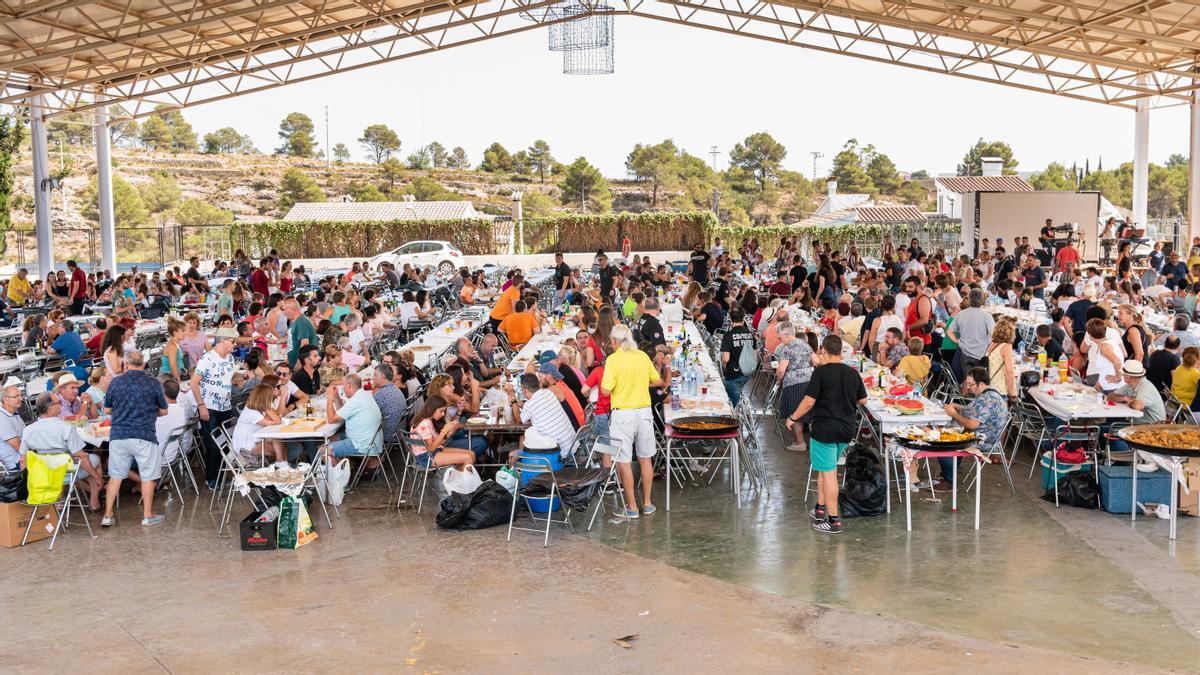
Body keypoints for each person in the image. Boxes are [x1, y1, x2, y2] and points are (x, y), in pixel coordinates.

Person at [785, 335, 866, 535]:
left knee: (829, 473)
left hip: (824, 429)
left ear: (823, 350)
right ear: (841, 351)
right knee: (824, 468)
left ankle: (833, 520)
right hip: (846, 430)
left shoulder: (820, 373)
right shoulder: (852, 373)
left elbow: (808, 402)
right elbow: (863, 400)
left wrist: (793, 418)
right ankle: (820, 509)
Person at [600, 324, 664, 520]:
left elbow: (605, 391)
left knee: (624, 461)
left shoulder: (613, 360)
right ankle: (647, 503)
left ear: (615, 342)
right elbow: (657, 381)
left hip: (623, 415)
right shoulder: (642, 356)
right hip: (644, 412)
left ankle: (631, 506)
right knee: (646, 459)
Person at [101, 350, 169, 527]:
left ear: (125, 364)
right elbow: (164, 410)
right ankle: (147, 515)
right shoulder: (153, 383)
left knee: (115, 476)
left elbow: (107, 410)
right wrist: (147, 411)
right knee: (148, 476)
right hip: (144, 434)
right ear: (144, 364)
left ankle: (107, 515)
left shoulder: (116, 382)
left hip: (118, 435)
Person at [19, 392, 104, 512]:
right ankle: (94, 502)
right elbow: (80, 457)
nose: (61, 405)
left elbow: (23, 459)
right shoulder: (65, 427)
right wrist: (97, 476)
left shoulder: (28, 430)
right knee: (94, 460)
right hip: (66, 471)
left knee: (85, 462)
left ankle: (60, 501)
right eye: (58, 403)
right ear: (50, 408)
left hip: (45, 473)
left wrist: (29, 481)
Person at [941, 367, 1010, 488]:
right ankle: (950, 472)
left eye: (971, 385)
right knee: (949, 432)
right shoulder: (991, 394)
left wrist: (954, 414)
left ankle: (949, 481)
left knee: (943, 441)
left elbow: (972, 424)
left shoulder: (987, 399)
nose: (968, 388)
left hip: (983, 440)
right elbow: (977, 411)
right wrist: (960, 407)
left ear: (981, 383)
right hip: (985, 436)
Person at [191, 329, 238, 488]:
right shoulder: (208, 358)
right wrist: (201, 406)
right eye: (232, 341)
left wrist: (244, 377)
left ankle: (221, 476)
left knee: (225, 442)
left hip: (226, 405)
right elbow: (194, 382)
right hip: (209, 407)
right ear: (223, 340)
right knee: (212, 444)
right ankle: (211, 479)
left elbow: (230, 378)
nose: (234, 344)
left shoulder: (230, 358)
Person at [321, 373, 383, 469]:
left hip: (361, 443)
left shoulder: (355, 401)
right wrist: (336, 398)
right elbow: (343, 413)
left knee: (322, 451)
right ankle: (344, 464)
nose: (343, 388)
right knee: (332, 438)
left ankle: (341, 477)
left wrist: (329, 398)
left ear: (349, 385)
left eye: (343, 386)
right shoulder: (362, 395)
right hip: (371, 440)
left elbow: (331, 419)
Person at [506, 372, 575, 458]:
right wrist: (521, 404)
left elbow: (518, 421)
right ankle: (523, 465)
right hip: (572, 446)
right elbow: (537, 407)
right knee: (523, 439)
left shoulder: (530, 405)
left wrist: (512, 397)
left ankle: (522, 465)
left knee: (512, 455)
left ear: (524, 389)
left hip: (558, 453)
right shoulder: (548, 392)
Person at [774, 323, 814, 452]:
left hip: (794, 383)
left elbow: (781, 370)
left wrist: (778, 382)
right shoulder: (805, 344)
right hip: (809, 381)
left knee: (795, 413)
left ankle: (799, 442)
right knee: (806, 410)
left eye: (779, 337)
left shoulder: (787, 348)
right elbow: (817, 361)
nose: (779, 340)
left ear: (785, 334)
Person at [409, 395, 475, 469]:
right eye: (441, 411)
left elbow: (438, 442)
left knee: (471, 453)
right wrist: (444, 431)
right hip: (426, 457)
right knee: (468, 457)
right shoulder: (424, 423)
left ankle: (457, 478)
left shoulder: (429, 420)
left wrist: (448, 432)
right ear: (432, 409)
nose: (443, 414)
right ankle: (459, 479)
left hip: (433, 452)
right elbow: (431, 448)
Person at [719, 306, 755, 407]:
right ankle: (742, 409)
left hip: (733, 375)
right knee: (738, 393)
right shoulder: (750, 334)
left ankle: (737, 414)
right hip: (747, 373)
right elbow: (754, 354)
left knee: (734, 402)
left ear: (730, 319)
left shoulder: (728, 336)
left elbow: (726, 358)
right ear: (743, 318)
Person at [1083, 317, 1125, 392]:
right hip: (1108, 387)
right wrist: (1099, 382)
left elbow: (1117, 361)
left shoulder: (1104, 346)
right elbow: (1106, 367)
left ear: (1090, 335)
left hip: (1112, 389)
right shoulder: (1106, 344)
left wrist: (1118, 377)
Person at [1173, 347, 1200, 412]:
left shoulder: (1178, 368)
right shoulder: (1196, 374)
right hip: (1189, 407)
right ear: (1197, 359)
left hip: (1176, 404)